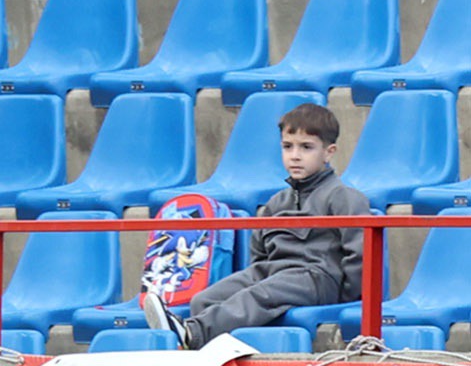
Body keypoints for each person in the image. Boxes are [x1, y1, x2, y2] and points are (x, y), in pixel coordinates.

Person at [155, 104, 377, 348]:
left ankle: (191, 334)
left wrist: (343, 296)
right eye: (287, 146)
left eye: (306, 147)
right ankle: (211, 352)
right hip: (273, 273)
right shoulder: (276, 203)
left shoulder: (343, 197)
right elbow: (259, 254)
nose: (295, 156)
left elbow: (361, 255)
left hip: (316, 278)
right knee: (204, 300)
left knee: (259, 295)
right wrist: (261, 274)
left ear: (328, 152)